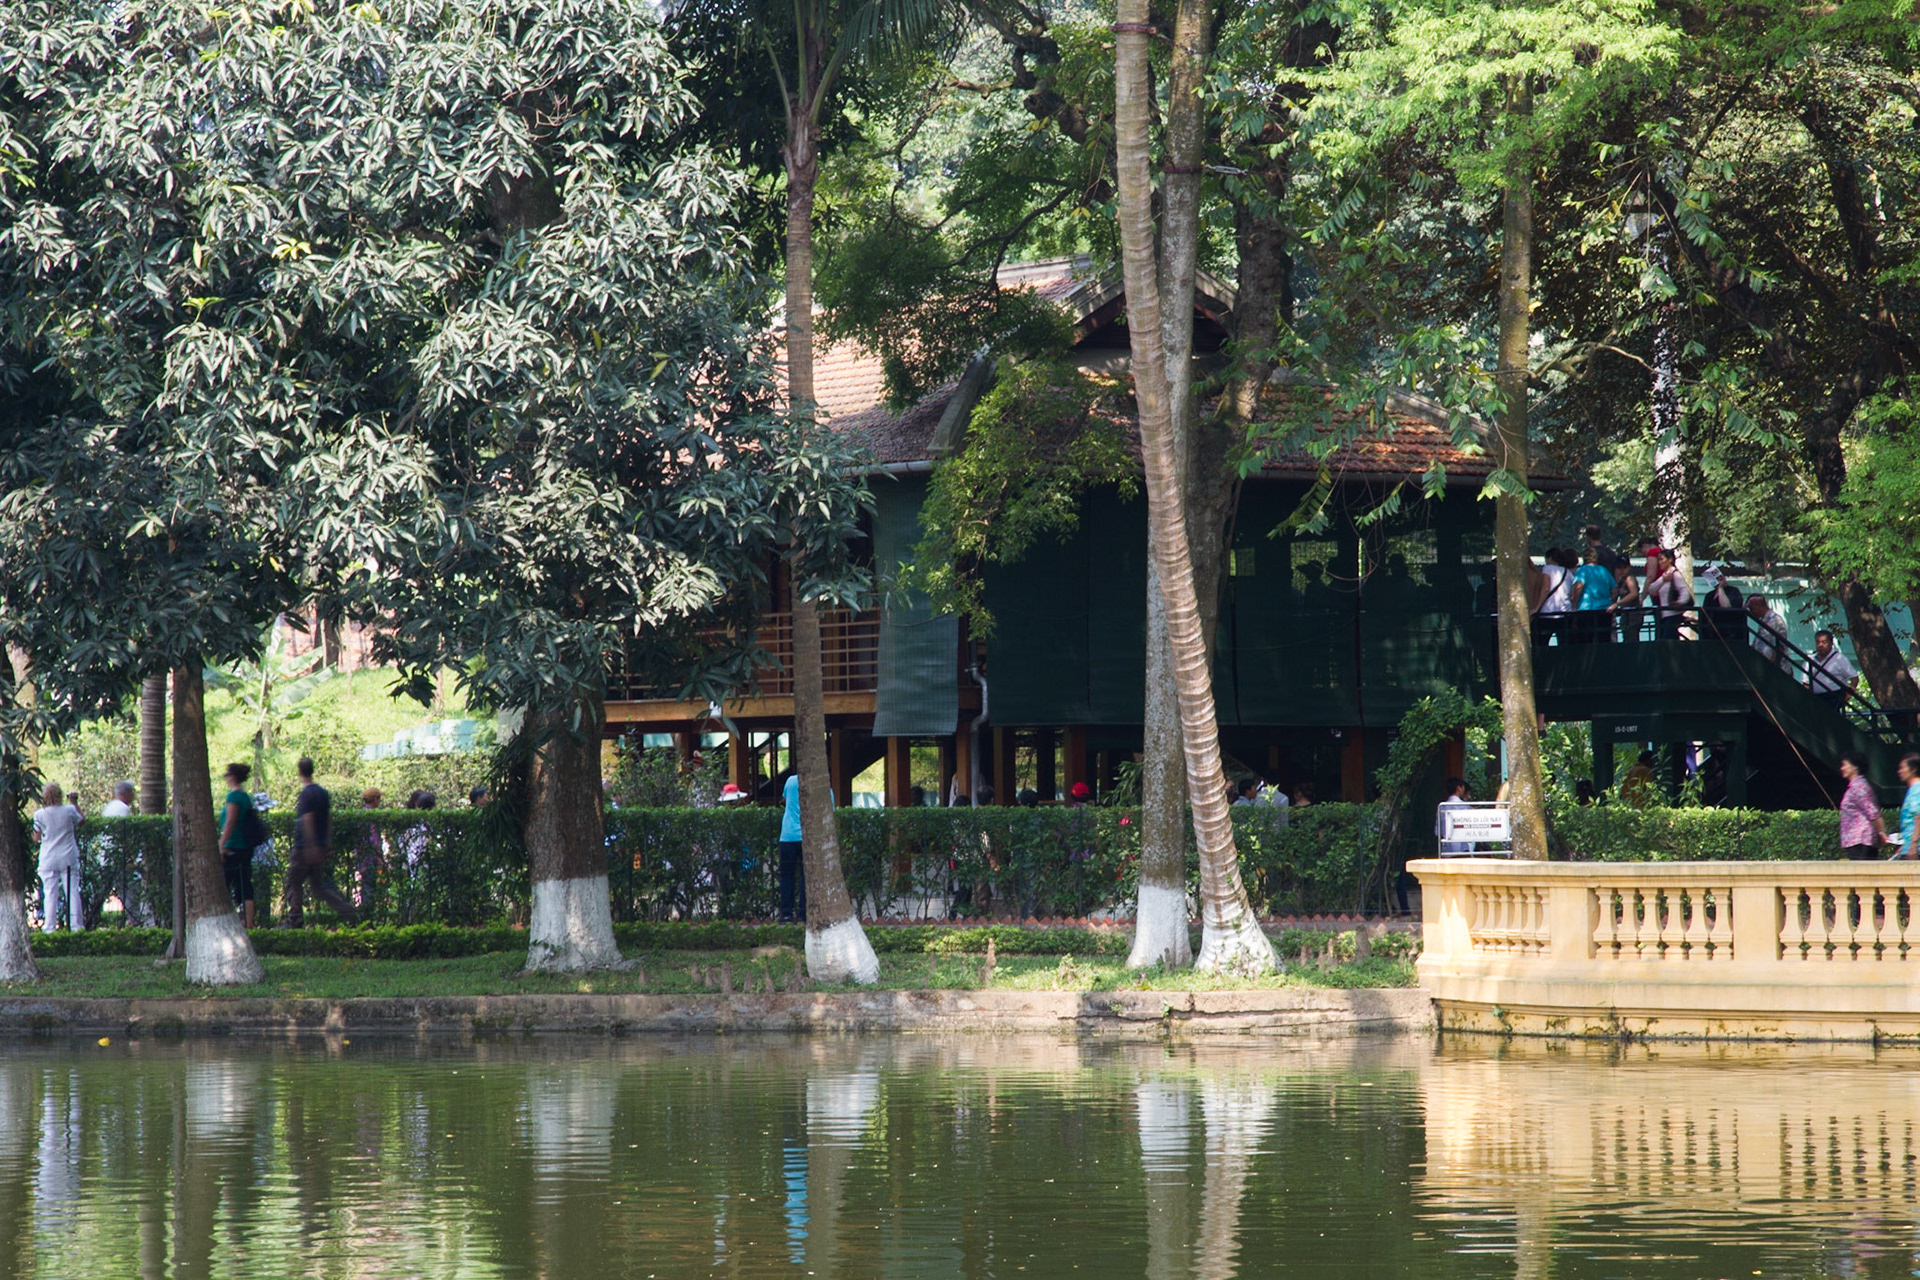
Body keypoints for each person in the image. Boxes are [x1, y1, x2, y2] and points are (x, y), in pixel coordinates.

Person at [281, 757, 357, 928]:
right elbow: (328, 818)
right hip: (320, 845)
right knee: (318, 887)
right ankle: (346, 910)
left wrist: (310, 846)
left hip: (305, 848)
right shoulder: (323, 793)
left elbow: (307, 819)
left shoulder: (307, 794)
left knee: (294, 881)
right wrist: (326, 844)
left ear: (299, 772)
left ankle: (295, 919)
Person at [30, 783, 84, 931]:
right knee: (72, 891)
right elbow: (81, 821)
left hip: (48, 857)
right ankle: (76, 926)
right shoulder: (69, 810)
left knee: (50, 893)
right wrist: (74, 802)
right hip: (68, 856)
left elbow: (36, 837)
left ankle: (49, 927)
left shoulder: (40, 814)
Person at [217, 763, 259, 928]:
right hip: (245, 846)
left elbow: (230, 822)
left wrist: (222, 844)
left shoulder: (234, 797)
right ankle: (248, 922)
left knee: (224, 885)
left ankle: (228, 922)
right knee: (244, 884)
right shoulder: (245, 796)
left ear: (232, 777)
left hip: (233, 846)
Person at [1838, 753, 1889, 861]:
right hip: (1856, 839)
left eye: (1844, 765)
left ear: (1855, 767)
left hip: (1861, 839)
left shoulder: (1859, 786)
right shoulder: (1855, 786)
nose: (1842, 768)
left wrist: (1881, 832)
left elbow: (1872, 811)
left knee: (1862, 875)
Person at [1642, 548, 1694, 641]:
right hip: (1665, 615)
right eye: (1658, 560)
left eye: (1661, 559)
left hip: (1673, 614)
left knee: (1667, 640)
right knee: (1667, 639)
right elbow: (1652, 590)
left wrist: (1679, 602)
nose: (1659, 562)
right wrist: (1662, 580)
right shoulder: (1665, 576)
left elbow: (1684, 591)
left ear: (1669, 560)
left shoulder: (1675, 574)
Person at [1569, 547, 1617, 643]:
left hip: (1586, 610)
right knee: (1604, 639)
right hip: (1604, 610)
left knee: (1585, 640)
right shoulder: (1604, 571)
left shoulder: (1582, 570)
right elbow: (1614, 590)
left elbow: (1579, 587)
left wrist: (1574, 605)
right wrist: (1610, 601)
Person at [778, 771, 806, 923]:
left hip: (787, 835)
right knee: (806, 877)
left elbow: (784, 799)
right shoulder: (821, 786)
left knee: (786, 876)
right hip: (806, 838)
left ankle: (786, 914)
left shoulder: (790, 781)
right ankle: (803, 914)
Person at [1806, 629, 1859, 710]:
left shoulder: (1839, 659)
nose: (1820, 645)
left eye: (1824, 642)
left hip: (1834, 698)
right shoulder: (1810, 659)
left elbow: (1854, 677)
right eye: (1818, 642)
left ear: (1831, 643)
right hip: (1815, 699)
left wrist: (1849, 693)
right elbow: (1805, 681)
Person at [1747, 596, 1789, 669]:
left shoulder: (1775, 621)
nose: (1751, 612)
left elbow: (1778, 647)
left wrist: (1771, 667)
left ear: (1758, 605)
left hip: (1775, 668)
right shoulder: (1764, 621)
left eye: (1751, 608)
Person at [1436, 777, 1472, 854]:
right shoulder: (1464, 806)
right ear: (1459, 788)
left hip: (1446, 848)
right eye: (1463, 788)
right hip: (1462, 847)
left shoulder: (1441, 807)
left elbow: (1437, 831)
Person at [1894, 754, 1920, 861]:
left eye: (1902, 768)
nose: (1899, 771)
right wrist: (1905, 846)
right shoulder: (1912, 790)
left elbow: (1918, 816)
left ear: (1913, 769)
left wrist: (1913, 845)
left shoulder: (1917, 790)